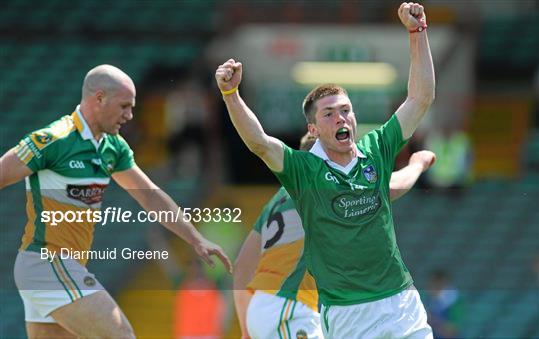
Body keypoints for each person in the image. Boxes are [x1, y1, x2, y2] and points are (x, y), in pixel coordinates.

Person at [216, 1, 435, 336]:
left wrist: (417, 32)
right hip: (346, 315)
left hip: (401, 302)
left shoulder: (376, 148)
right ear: (314, 130)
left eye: (346, 110)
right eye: (329, 113)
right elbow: (259, 142)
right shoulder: (303, 172)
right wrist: (231, 94)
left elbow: (419, 99)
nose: (341, 118)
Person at [0, 64, 232, 339]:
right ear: (99, 98)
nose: (129, 115)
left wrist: (195, 238)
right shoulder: (53, 140)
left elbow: (151, 196)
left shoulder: (114, 146)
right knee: (121, 334)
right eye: (124, 106)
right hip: (47, 264)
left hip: (62, 268)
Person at [234, 132, 436, 339]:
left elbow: (242, 265)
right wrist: (416, 165)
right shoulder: (320, 186)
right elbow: (389, 188)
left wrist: (245, 328)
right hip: (290, 307)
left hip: (263, 305)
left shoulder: (276, 201)